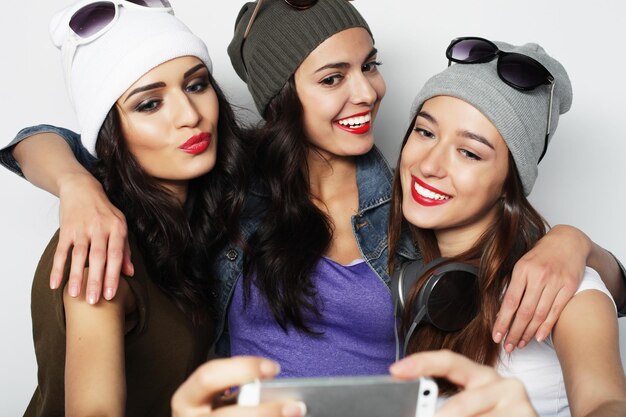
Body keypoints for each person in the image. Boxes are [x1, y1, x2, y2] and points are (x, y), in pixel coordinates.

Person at [1, 0, 624, 377]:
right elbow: (50, 137)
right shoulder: (223, 184)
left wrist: (573, 241)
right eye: (333, 77)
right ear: (281, 96)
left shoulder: (415, 193)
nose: (368, 92)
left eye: (370, 65)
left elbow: (599, 291)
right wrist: (77, 187)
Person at [21, 1, 302, 416]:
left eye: (196, 85)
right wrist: (74, 184)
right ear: (109, 135)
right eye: (149, 104)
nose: (190, 116)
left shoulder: (199, 215)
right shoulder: (99, 248)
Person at [388, 37, 626, 416]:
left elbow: (607, 403)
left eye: (469, 152)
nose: (430, 165)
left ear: (508, 184)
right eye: (425, 132)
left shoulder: (563, 285)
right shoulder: (390, 266)